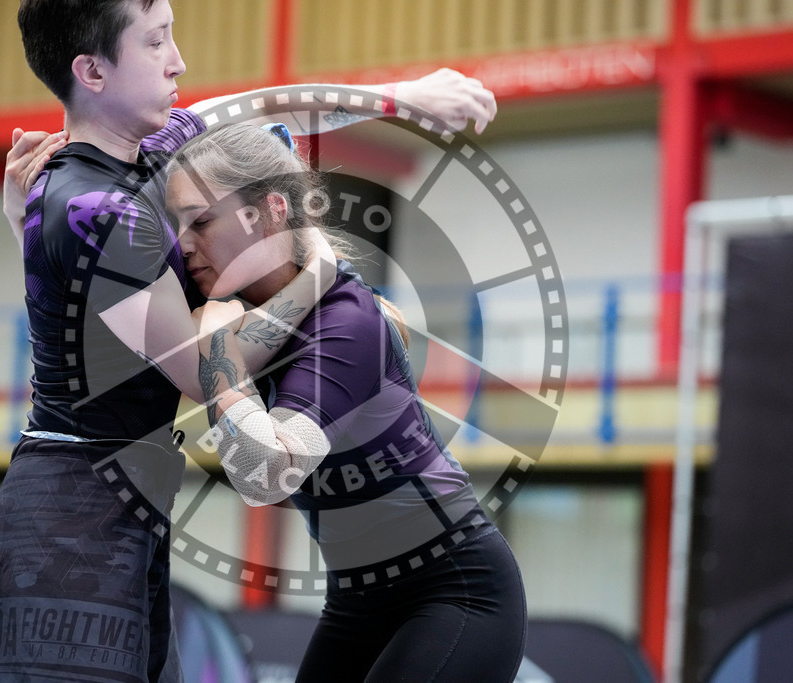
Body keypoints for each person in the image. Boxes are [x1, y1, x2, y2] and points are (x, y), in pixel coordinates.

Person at [0, 1, 500, 681]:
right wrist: (317, 282)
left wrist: (402, 98)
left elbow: (260, 109)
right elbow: (200, 372)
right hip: (73, 521)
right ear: (91, 70)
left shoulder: (125, 168)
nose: (178, 60)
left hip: (127, 501)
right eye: (156, 41)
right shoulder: (98, 207)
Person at [166, 123, 527, 683]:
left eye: (201, 221)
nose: (182, 243)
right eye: (178, 223)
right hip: (359, 601)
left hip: (454, 592)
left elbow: (266, 475)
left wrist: (219, 350)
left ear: (270, 211)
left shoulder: (346, 323)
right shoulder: (240, 290)